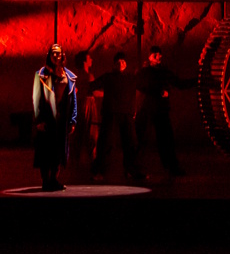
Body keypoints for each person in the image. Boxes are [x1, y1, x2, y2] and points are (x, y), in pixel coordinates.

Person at [135, 46, 195, 177]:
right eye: (155, 55)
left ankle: (172, 166)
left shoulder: (164, 72)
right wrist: (158, 92)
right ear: (150, 57)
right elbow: (138, 85)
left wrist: (197, 80)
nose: (158, 57)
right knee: (142, 139)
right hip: (148, 110)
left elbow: (179, 83)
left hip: (161, 110)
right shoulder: (144, 72)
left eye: (159, 54)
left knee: (167, 138)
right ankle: (134, 167)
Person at [91, 51, 144, 181]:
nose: (121, 63)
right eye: (118, 62)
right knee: (106, 143)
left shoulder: (131, 78)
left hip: (127, 114)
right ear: (114, 64)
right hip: (111, 114)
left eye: (123, 61)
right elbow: (92, 86)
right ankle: (99, 171)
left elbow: (142, 88)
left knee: (131, 143)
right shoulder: (108, 77)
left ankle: (132, 170)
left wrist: (133, 109)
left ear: (126, 64)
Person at [32, 44, 77, 191]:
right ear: (49, 55)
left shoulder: (68, 76)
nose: (57, 56)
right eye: (54, 53)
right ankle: (46, 181)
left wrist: (72, 120)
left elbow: (73, 99)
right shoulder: (41, 74)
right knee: (46, 151)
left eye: (59, 53)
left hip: (61, 120)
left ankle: (54, 180)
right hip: (47, 119)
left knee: (59, 151)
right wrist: (38, 120)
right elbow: (36, 98)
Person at [70, 50, 100, 171]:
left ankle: (74, 161)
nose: (91, 60)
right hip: (88, 104)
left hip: (78, 104)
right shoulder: (89, 76)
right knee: (91, 132)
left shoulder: (75, 76)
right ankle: (93, 162)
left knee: (78, 133)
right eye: (89, 58)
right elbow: (94, 92)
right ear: (84, 62)